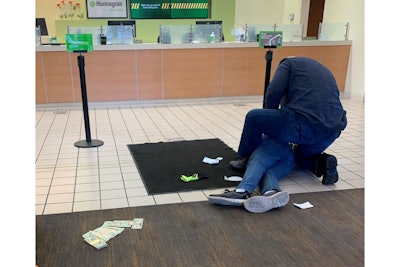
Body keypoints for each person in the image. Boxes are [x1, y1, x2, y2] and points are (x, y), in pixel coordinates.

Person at [208, 56, 347, 213]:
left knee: (254, 118)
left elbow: (274, 91)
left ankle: (244, 170)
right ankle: (276, 188)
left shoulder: (287, 64)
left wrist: (270, 121)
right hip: (332, 130)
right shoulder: (322, 70)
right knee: (299, 157)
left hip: (300, 122)